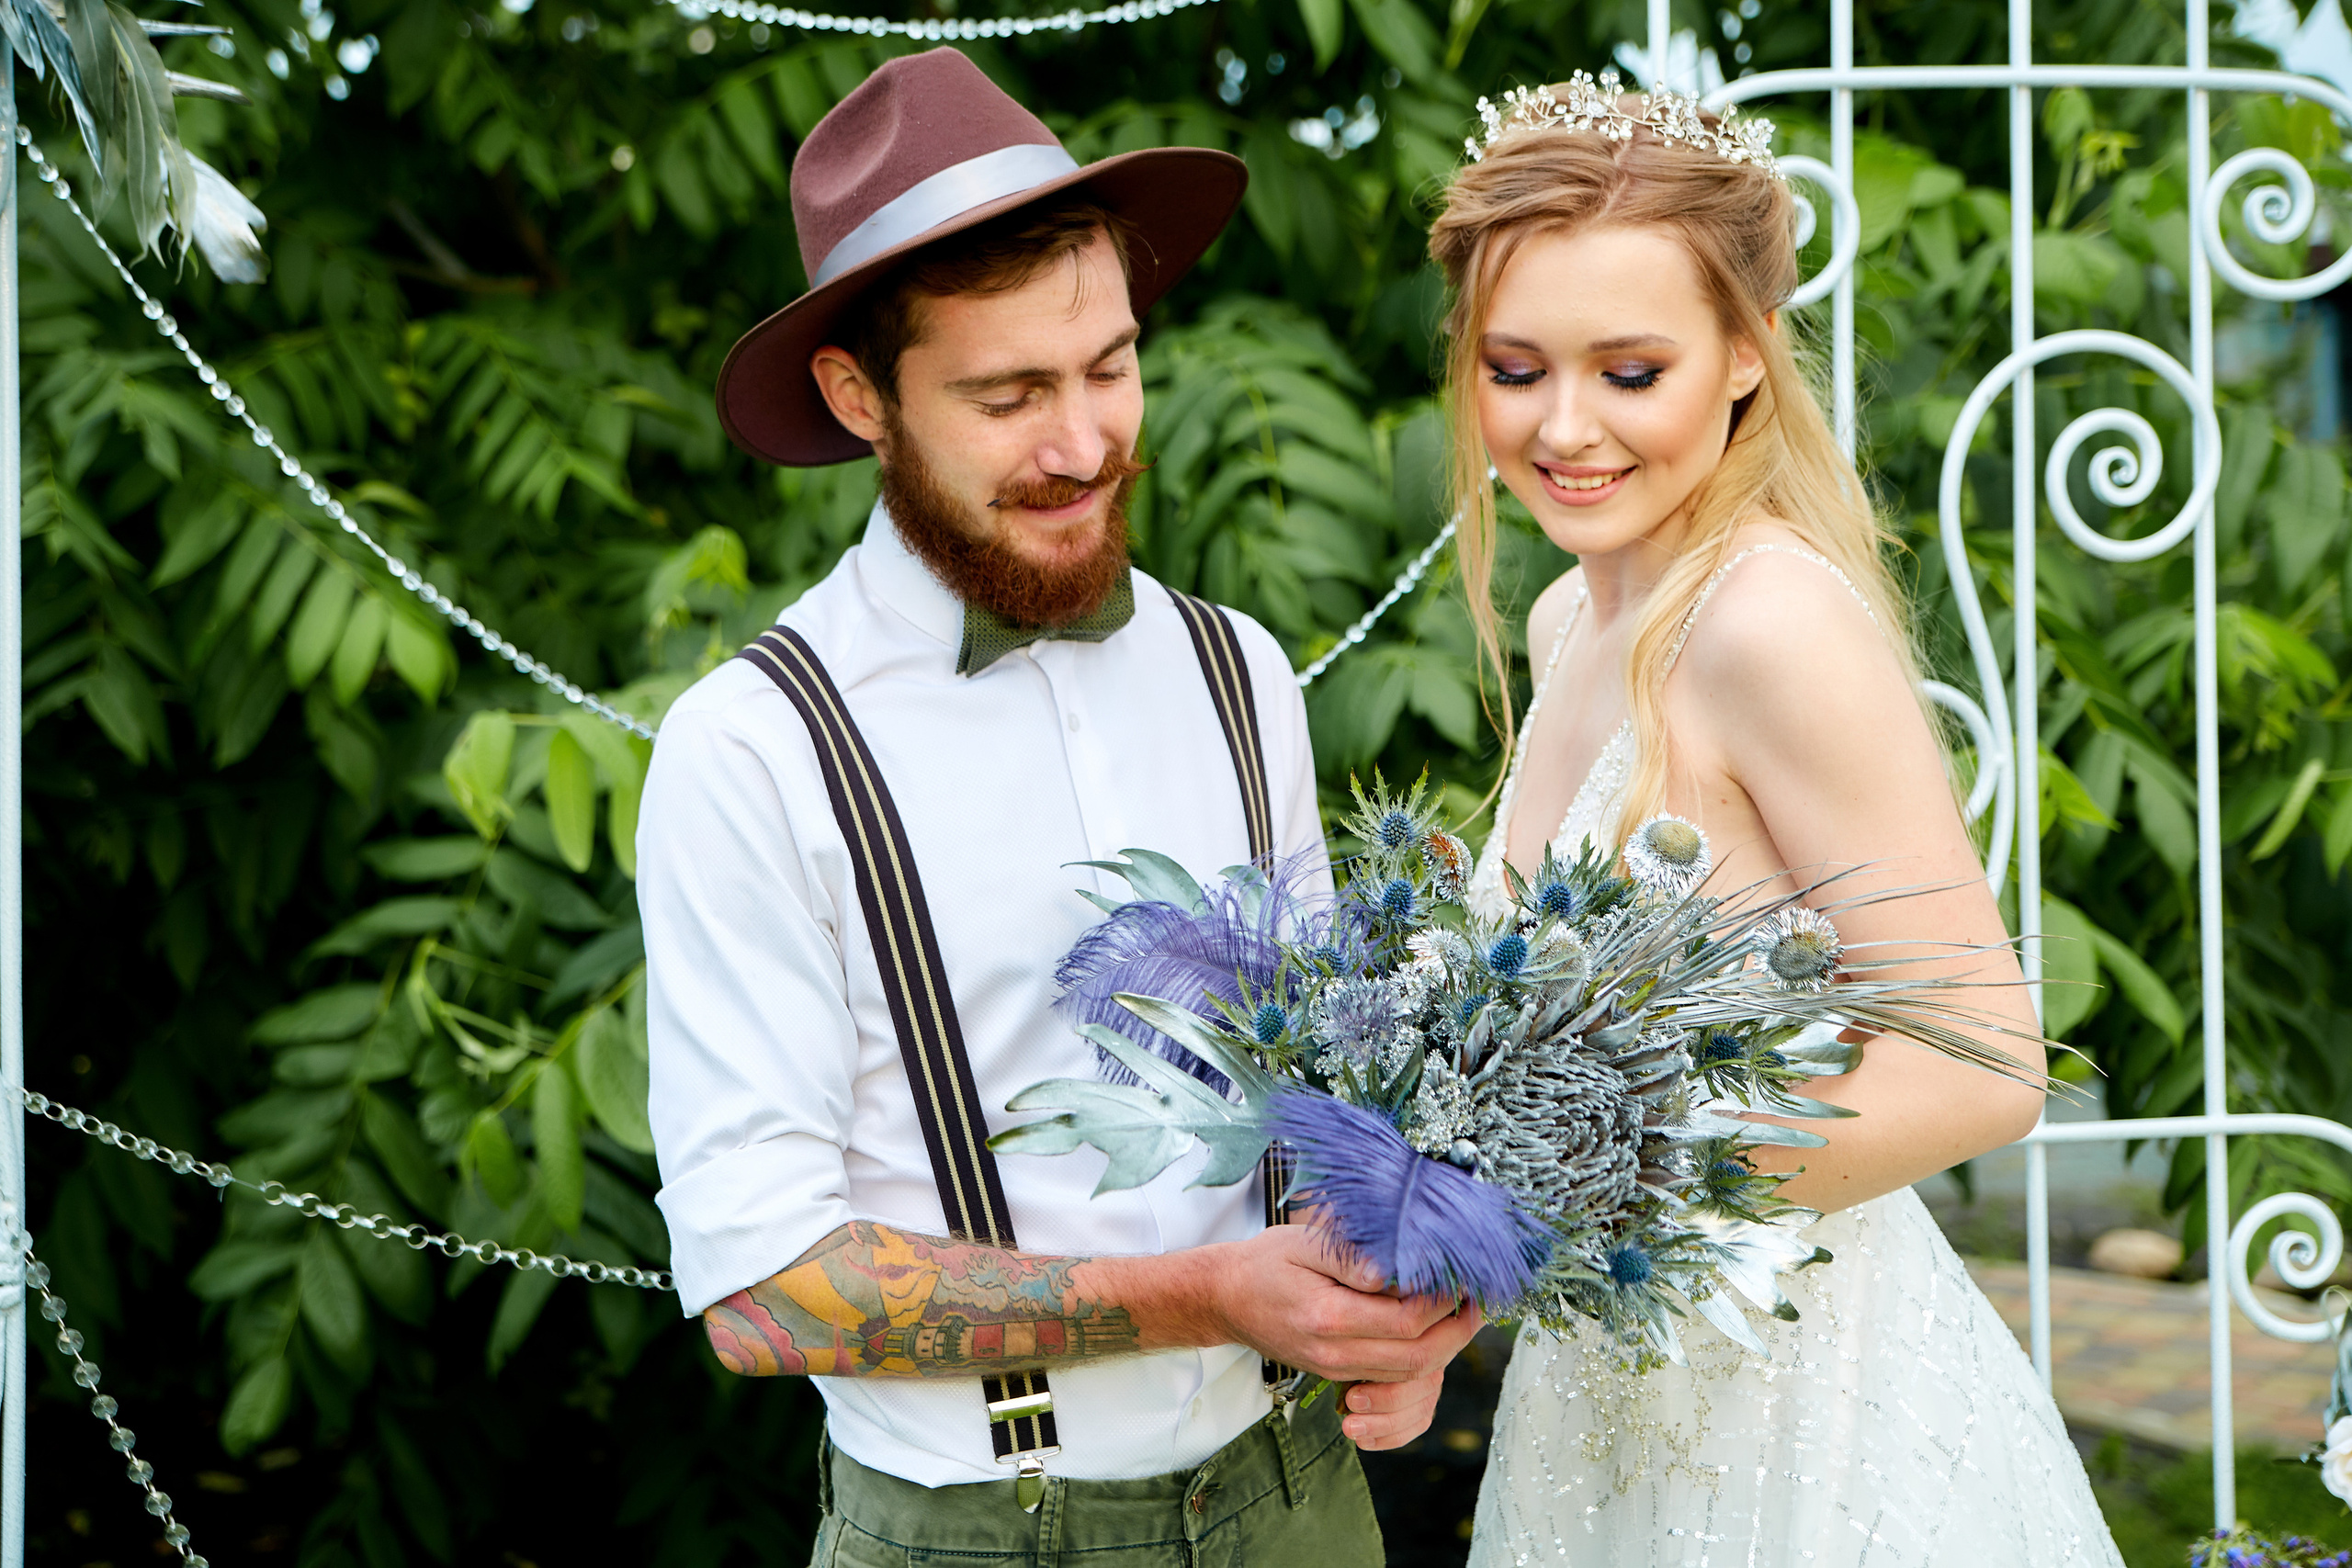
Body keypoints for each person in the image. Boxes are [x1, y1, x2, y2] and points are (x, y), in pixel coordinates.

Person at [638, 48, 1477, 1567]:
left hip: (1304, 1509)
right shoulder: (752, 750)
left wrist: (1412, 1299)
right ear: (857, 396)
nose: (1084, 444)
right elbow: (763, 1295)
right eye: (1009, 394)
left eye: (1109, 365)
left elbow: (1327, 1085)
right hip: (972, 1537)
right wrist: (1207, 1294)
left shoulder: (1242, 673)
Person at [1430, 75, 2126, 1564]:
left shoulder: (1764, 622)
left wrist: (1614, 1198)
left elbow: (1986, 1062)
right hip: (1600, 1410)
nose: (1563, 427)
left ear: (1745, 359)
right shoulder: (1567, 620)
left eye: (1631, 373)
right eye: (1513, 366)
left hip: (1802, 1416)